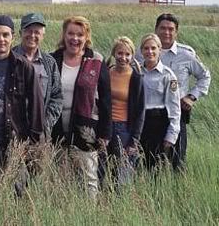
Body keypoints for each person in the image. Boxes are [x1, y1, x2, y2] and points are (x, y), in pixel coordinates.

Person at [0, 15, 44, 194]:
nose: (1, 39)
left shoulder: (24, 66)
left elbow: (36, 107)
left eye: (5, 35)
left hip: (14, 141)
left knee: (15, 192)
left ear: (13, 37)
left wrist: (33, 143)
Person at [51, 16, 111, 199]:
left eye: (80, 34)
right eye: (70, 33)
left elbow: (106, 100)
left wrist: (105, 133)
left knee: (89, 179)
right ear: (64, 34)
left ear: (87, 37)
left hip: (87, 130)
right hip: (57, 129)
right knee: (59, 180)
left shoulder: (97, 61)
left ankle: (89, 215)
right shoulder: (52, 59)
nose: (74, 38)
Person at [154, 13, 211, 170]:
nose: (166, 32)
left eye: (171, 29)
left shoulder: (186, 54)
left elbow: (205, 76)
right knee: (150, 160)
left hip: (177, 112)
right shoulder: (145, 50)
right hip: (151, 112)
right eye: (163, 28)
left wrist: (192, 97)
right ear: (156, 29)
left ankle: (178, 188)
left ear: (176, 32)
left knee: (177, 161)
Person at [13, 13, 62, 138]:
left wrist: (44, 124)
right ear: (20, 33)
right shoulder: (9, 58)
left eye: (37, 32)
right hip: (12, 132)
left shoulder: (49, 63)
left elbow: (57, 97)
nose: (32, 35)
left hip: (40, 134)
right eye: (28, 31)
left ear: (43, 36)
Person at [105, 37, 144, 188]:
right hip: (106, 127)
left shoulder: (136, 77)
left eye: (127, 54)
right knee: (103, 170)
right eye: (120, 53)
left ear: (132, 56)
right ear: (114, 53)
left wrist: (134, 140)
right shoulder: (107, 72)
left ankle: (120, 203)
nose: (123, 57)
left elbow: (140, 111)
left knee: (121, 175)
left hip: (125, 130)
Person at [139, 33, 181, 170]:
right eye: (146, 48)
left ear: (160, 50)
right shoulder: (136, 72)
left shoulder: (168, 75)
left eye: (153, 48)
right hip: (138, 122)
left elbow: (174, 109)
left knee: (154, 168)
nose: (149, 52)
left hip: (157, 125)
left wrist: (171, 135)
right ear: (141, 51)